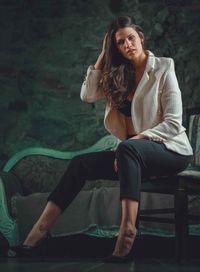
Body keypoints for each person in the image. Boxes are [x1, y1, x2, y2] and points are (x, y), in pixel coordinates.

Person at [12, 15, 193, 262]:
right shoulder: (117, 73)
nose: (128, 44)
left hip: (171, 151)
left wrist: (132, 143)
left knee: (128, 148)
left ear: (141, 38)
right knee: (80, 165)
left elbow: (173, 123)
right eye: (120, 42)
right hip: (133, 156)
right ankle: (38, 232)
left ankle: (127, 232)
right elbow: (87, 95)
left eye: (131, 38)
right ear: (115, 47)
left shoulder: (163, 67)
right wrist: (102, 57)